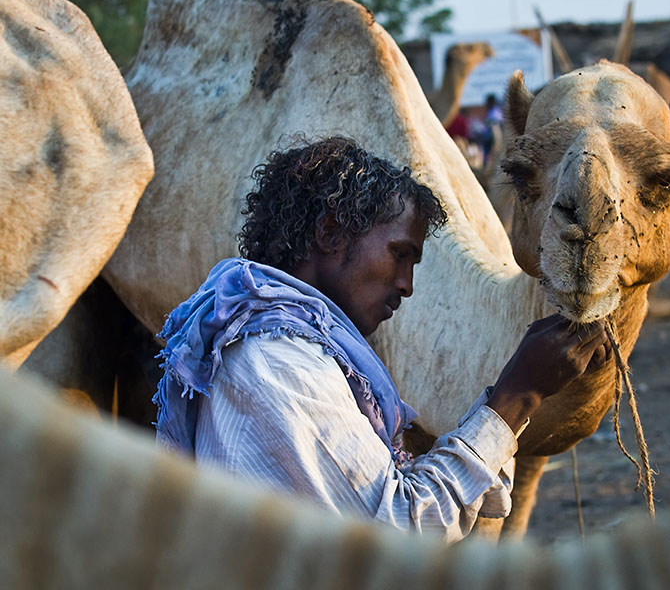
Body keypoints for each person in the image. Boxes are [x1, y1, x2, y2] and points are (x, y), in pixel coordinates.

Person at [153, 136, 610, 542]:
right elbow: (401, 528)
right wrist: (517, 393)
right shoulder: (275, 364)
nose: (407, 285)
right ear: (330, 232)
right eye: (399, 254)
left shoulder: (291, 349)